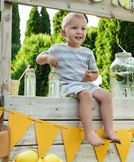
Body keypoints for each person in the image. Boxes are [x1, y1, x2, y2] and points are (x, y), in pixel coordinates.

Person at [36, 12, 121, 147]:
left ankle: (109, 130)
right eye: (74, 28)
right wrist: (47, 58)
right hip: (66, 84)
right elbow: (38, 59)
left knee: (106, 95)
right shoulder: (57, 49)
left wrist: (90, 77)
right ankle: (89, 132)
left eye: (83, 28)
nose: (79, 31)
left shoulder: (88, 52)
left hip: (84, 84)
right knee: (86, 94)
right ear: (64, 33)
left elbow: (95, 74)